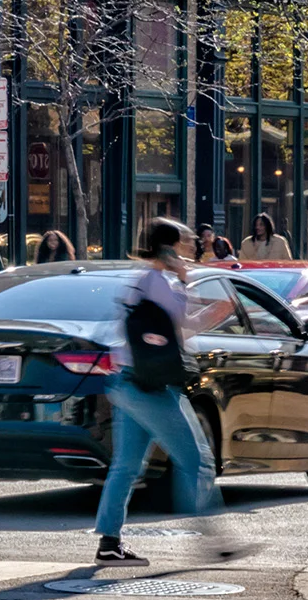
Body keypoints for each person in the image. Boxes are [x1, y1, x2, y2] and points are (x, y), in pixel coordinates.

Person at [92, 218, 242, 568]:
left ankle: (109, 543)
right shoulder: (158, 282)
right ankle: (216, 543)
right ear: (169, 246)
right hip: (151, 388)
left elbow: (175, 330)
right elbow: (181, 328)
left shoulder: (140, 280)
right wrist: (192, 286)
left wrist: (208, 309)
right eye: (186, 241)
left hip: (127, 382)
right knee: (197, 461)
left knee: (126, 466)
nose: (192, 246)